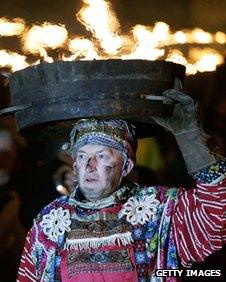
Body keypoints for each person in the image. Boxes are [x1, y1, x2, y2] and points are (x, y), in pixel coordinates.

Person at [17, 90, 226, 282]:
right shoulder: (49, 221)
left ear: (126, 166)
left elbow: (217, 213)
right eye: (82, 157)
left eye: (101, 156)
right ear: (74, 164)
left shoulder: (161, 210)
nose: (89, 166)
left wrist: (191, 136)